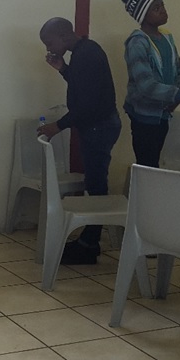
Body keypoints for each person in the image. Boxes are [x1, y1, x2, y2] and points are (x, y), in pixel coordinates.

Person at [37, 18, 121, 265]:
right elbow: (82, 87)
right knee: (95, 183)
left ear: (64, 35)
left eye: (49, 42)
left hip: (99, 126)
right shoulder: (83, 51)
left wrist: (57, 126)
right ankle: (89, 241)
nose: (48, 48)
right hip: (98, 125)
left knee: (96, 186)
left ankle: (89, 244)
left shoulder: (87, 54)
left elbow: (87, 105)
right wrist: (63, 69)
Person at [120, 0, 180, 167]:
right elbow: (146, 85)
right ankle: (145, 195)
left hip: (163, 113)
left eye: (162, 5)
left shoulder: (167, 38)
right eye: (156, 8)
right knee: (147, 165)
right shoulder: (137, 43)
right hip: (144, 117)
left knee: (155, 162)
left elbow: (179, 69)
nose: (163, 10)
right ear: (143, 16)